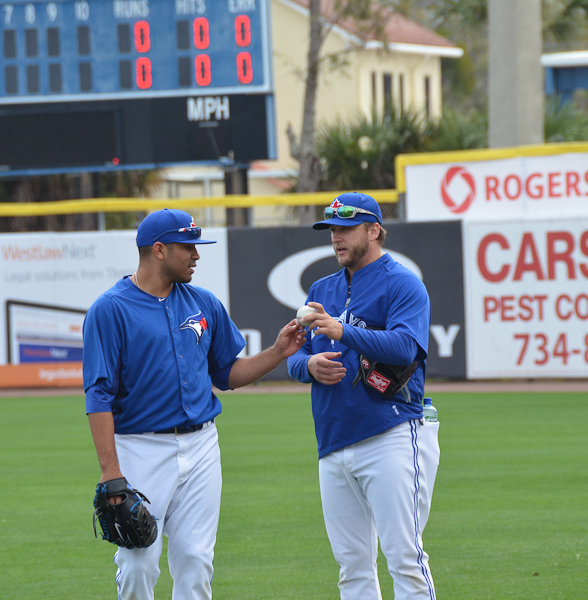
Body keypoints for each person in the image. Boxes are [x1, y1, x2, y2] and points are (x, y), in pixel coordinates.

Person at [82, 209, 305, 600]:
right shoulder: (110, 309)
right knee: (137, 566)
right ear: (159, 250)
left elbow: (226, 374)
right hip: (141, 448)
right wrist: (110, 471)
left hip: (202, 447)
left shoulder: (203, 303)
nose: (196, 255)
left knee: (197, 563)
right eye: (188, 247)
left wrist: (278, 352)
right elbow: (98, 394)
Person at [287, 192, 439, 600]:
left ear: (373, 230)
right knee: (352, 567)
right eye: (332, 229)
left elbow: (406, 347)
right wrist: (309, 366)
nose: (336, 237)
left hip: (390, 432)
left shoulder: (403, 284)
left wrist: (342, 331)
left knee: (404, 557)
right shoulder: (322, 287)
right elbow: (295, 356)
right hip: (333, 439)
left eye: (346, 228)